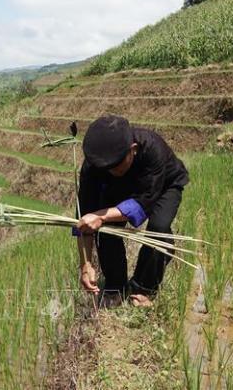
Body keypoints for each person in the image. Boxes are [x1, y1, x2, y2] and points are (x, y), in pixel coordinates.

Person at [74, 115, 189, 308]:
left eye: (116, 166)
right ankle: (115, 286)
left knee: (159, 230)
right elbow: (84, 220)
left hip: (164, 186)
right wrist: (85, 265)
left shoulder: (153, 148)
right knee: (106, 232)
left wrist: (101, 216)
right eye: (106, 168)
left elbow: (144, 202)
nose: (111, 171)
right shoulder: (95, 166)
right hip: (120, 189)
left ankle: (144, 288)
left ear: (133, 150)